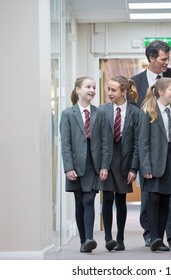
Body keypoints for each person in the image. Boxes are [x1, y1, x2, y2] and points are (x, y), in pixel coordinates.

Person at [131, 39, 171, 248]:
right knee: (151, 196)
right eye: (163, 59)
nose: (167, 62)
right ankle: (151, 234)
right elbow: (133, 117)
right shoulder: (136, 81)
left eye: (168, 58)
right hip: (150, 144)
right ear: (151, 58)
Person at [60, 76, 110, 253]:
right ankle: (83, 241)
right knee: (80, 202)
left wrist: (104, 166)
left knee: (90, 199)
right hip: (75, 164)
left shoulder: (100, 113)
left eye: (94, 87)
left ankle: (89, 238)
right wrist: (68, 167)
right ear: (78, 90)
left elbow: (106, 142)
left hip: (93, 164)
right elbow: (65, 144)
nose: (92, 90)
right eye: (88, 87)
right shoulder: (67, 114)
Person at [138, 77, 171, 251]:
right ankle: (154, 237)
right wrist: (145, 166)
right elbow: (142, 142)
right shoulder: (148, 111)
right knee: (153, 199)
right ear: (160, 92)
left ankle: (160, 240)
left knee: (167, 199)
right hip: (154, 162)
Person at [99, 76, 140, 251]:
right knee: (107, 198)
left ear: (124, 92)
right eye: (109, 89)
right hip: (107, 160)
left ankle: (120, 239)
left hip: (125, 161)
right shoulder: (102, 110)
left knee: (121, 200)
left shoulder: (135, 112)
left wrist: (134, 168)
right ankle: (108, 238)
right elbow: (98, 140)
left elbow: (138, 142)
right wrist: (101, 165)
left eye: (114, 90)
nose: (110, 93)